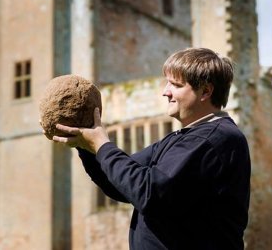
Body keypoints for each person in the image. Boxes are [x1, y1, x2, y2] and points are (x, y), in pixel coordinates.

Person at [53, 47, 251, 249]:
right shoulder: (182, 139)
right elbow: (121, 185)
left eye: (175, 84)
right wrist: (86, 145)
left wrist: (102, 144)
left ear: (206, 91)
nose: (166, 92)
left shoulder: (213, 139)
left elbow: (149, 193)